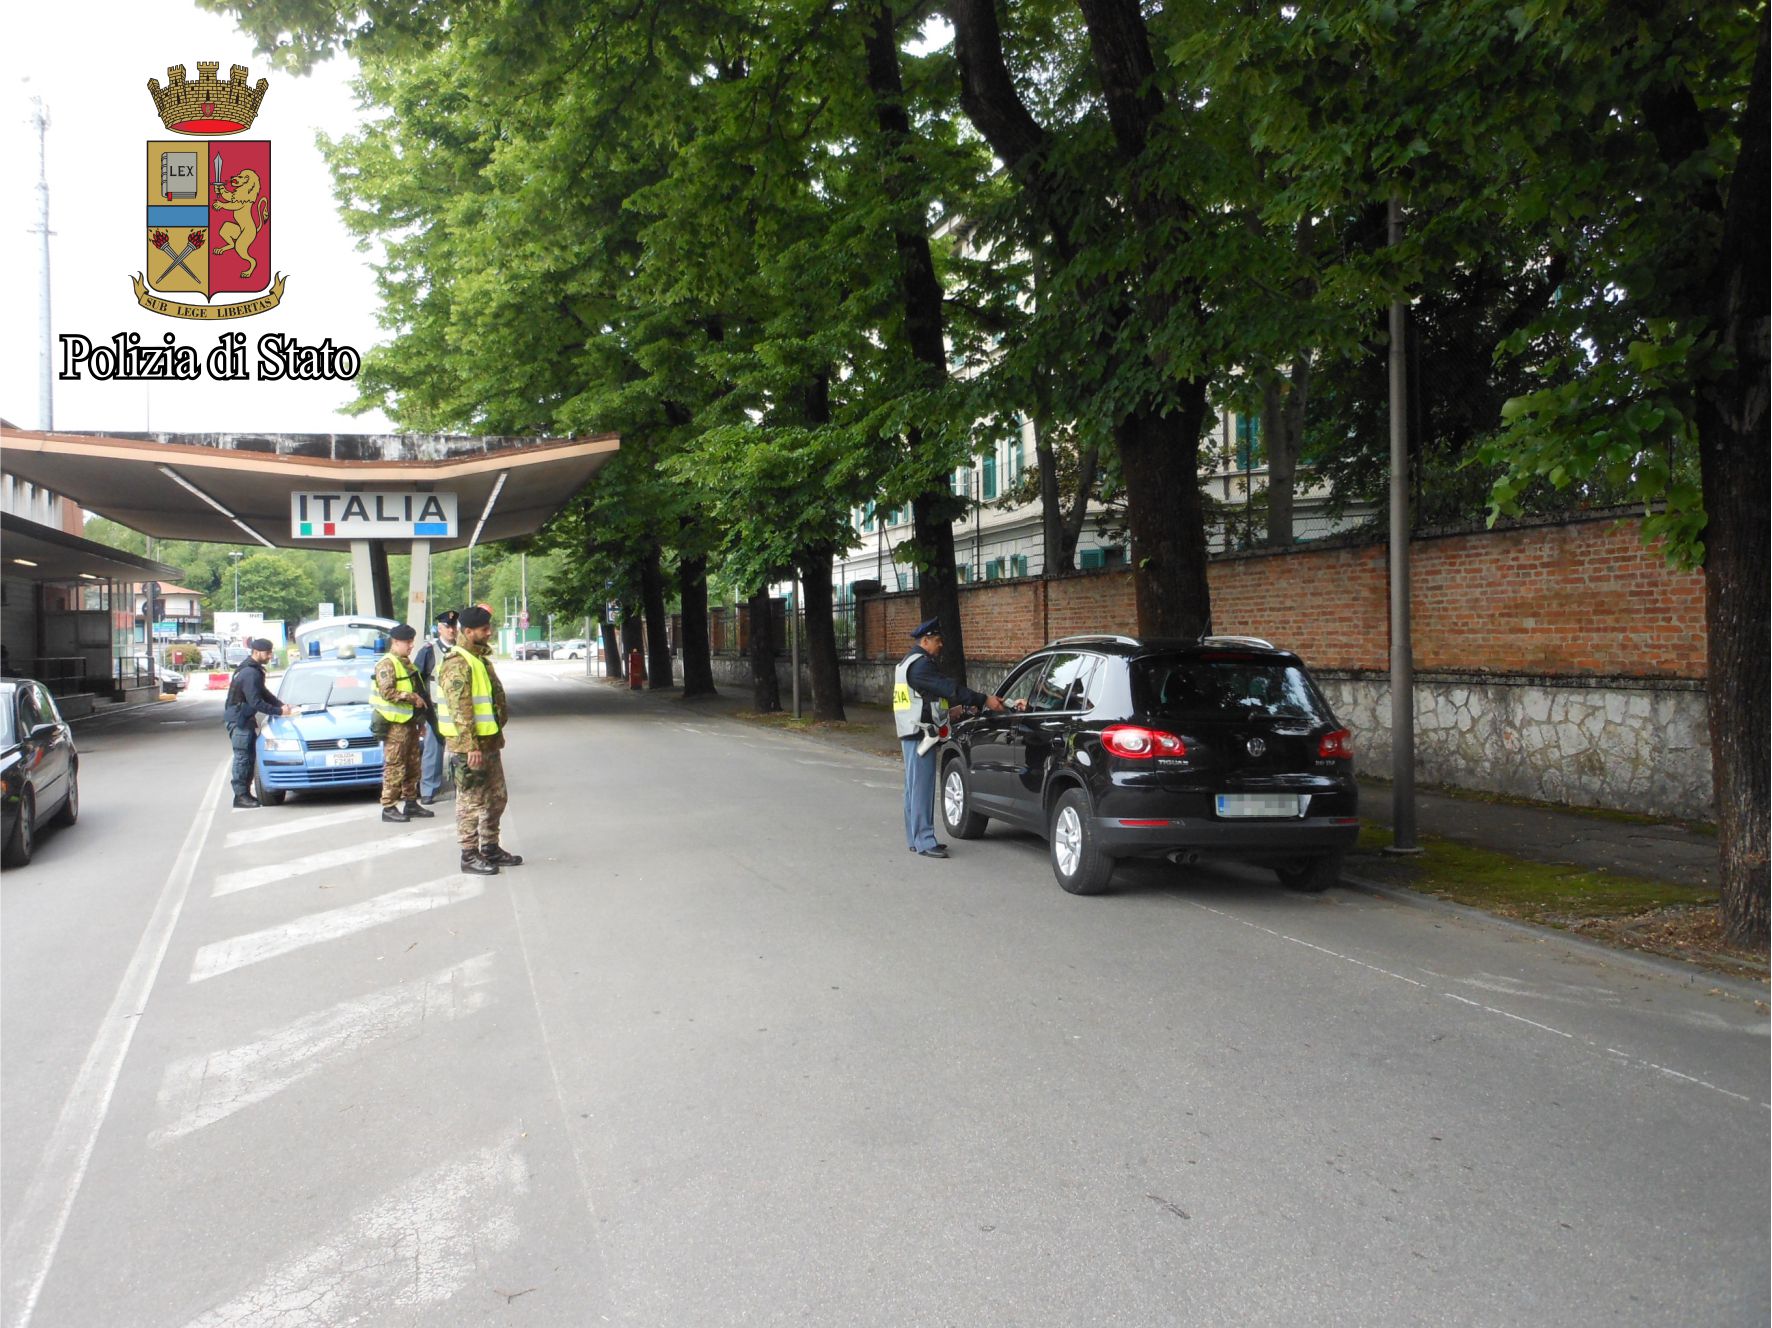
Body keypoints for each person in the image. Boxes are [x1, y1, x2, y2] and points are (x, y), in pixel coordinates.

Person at [894, 617, 1017, 858]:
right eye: (937, 641)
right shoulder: (921, 665)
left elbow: (924, 701)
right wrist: (983, 699)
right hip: (921, 734)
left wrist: (951, 712)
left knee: (913, 788)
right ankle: (924, 841)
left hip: (912, 730)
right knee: (922, 788)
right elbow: (948, 688)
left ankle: (915, 838)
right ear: (925, 640)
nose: (940, 646)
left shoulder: (907, 663)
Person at [436, 604, 521, 875]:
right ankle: (469, 854)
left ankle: (490, 848)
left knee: (496, 798)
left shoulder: (479, 659)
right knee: (470, 801)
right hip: (469, 746)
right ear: (468, 631)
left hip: (489, 742)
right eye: (484, 629)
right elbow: (459, 707)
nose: (489, 633)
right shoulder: (458, 662)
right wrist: (471, 744)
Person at [222, 637, 295, 809]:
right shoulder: (250, 673)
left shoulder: (252, 670)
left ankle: (245, 794)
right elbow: (256, 702)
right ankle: (240, 796)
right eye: (267, 653)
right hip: (239, 720)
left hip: (243, 719)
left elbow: (264, 693)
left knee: (249, 757)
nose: (270, 656)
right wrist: (279, 711)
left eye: (271, 652)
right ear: (256, 652)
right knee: (243, 758)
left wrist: (281, 705)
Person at [372, 624, 434, 824]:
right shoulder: (387, 664)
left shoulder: (406, 663)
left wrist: (420, 720)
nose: (411, 646)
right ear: (395, 642)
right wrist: (411, 697)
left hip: (409, 724)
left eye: (411, 642)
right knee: (395, 766)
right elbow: (387, 692)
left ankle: (410, 802)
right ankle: (389, 806)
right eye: (407, 642)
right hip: (395, 726)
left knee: (412, 765)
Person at [412, 609, 458, 804]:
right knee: (433, 751)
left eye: (454, 627)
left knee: (460, 751)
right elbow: (418, 678)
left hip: (457, 709)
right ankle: (428, 791)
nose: (452, 630)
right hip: (436, 710)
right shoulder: (429, 650)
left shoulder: (461, 649)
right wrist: (424, 706)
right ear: (440, 628)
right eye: (448, 627)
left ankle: (462, 788)